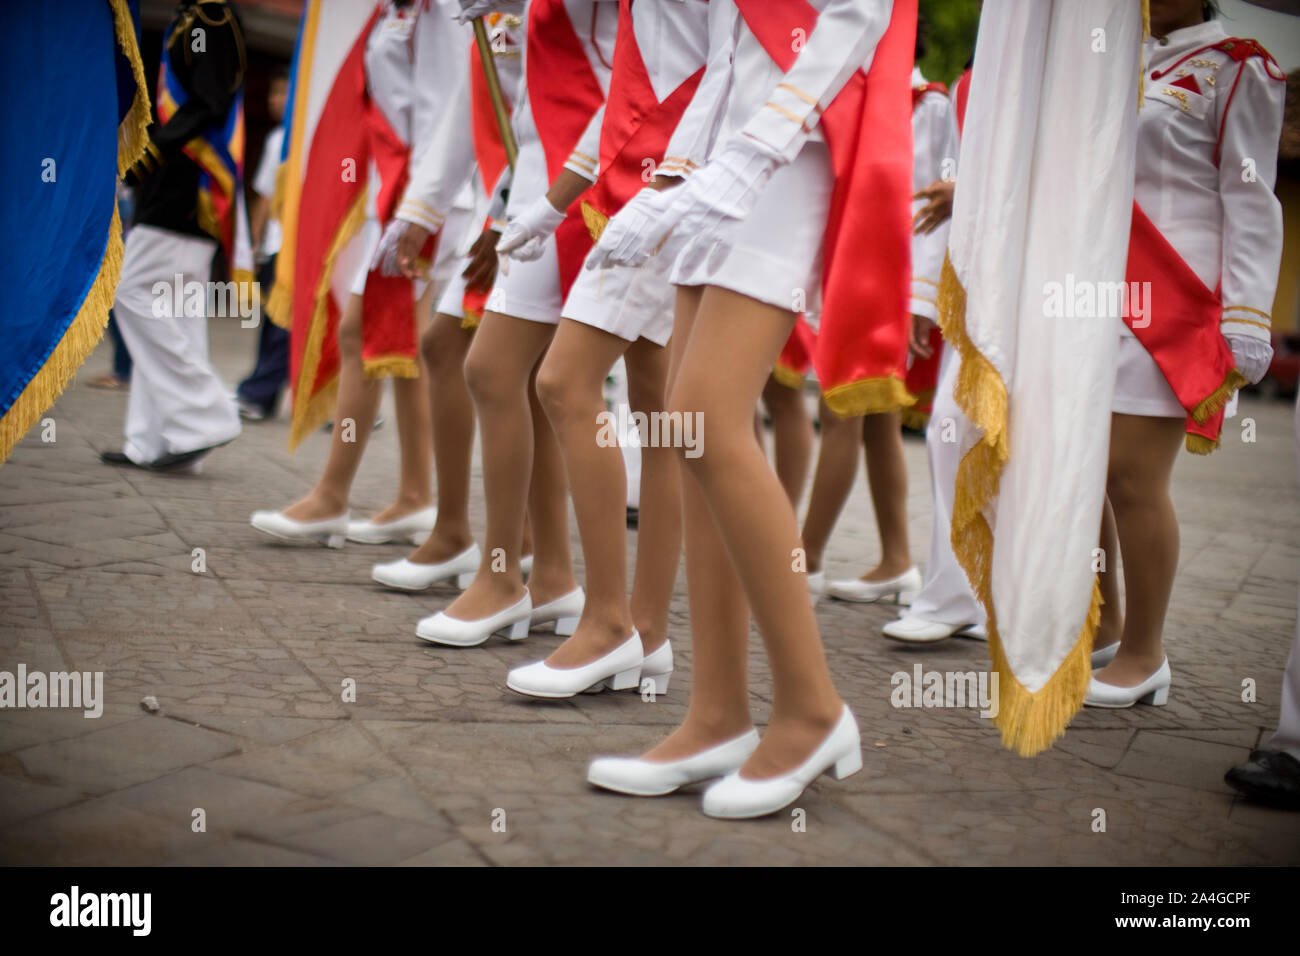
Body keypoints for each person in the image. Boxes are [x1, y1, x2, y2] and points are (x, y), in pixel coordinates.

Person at [583, 0, 916, 818]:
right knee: (693, 430)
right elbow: (726, 50)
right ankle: (716, 716)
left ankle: (810, 709)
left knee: (707, 415)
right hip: (725, 151)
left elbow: (857, 13)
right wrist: (673, 172)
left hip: (792, 147)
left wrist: (758, 148)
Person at [498, 0, 709, 699]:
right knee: (658, 411)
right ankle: (647, 631)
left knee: (563, 382)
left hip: (675, 181)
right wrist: (556, 202)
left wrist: (675, 180)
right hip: (649, 175)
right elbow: (626, 97)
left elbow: (723, 78)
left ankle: (609, 623)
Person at [1085, 0, 1285, 708]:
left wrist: (1247, 316)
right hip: (1101, 293)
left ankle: (1147, 654)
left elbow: (1252, 196)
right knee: (1092, 476)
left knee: (1133, 478)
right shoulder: (1118, 59)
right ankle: (1108, 624)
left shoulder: (1238, 67)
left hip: (1179, 300)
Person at [411, 0, 616, 648]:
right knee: (523, 380)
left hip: (576, 177)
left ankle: (506, 577)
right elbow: (524, 108)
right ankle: (552, 578)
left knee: (500, 372)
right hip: (540, 178)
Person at [251, 0, 475, 548]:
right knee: (409, 351)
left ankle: (331, 497)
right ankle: (416, 497)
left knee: (360, 331)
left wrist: (419, 210)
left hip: (428, 199)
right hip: (397, 193)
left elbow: (456, 109)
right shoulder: (393, 9)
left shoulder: (443, 8)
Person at [370, 7, 527, 592]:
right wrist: (419, 212)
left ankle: (521, 561)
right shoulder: (481, 12)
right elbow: (470, 109)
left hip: (564, 193)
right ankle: (467, 535)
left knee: (544, 378)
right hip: (512, 192)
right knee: (451, 349)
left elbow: (569, 108)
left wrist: (508, 212)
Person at [800, 22, 951, 606]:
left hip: (892, 278)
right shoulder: (859, 96)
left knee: (840, 408)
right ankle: (896, 560)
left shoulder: (928, 103)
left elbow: (939, 206)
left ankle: (805, 559)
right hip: (857, 269)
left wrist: (920, 298)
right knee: (876, 420)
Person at [100, 0, 246, 473]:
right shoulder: (193, 18)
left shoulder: (210, 19)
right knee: (174, 311)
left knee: (133, 292)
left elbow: (209, 101)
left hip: (188, 186)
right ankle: (159, 439)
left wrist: (150, 154)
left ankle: (204, 414)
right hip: (177, 187)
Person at [235, 69, 290, 423]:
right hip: (277, 245)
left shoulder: (309, 136)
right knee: (273, 323)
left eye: (281, 93)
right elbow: (265, 196)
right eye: (271, 93)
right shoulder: (276, 140)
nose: (273, 100)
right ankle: (261, 395)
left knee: (286, 323)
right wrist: (257, 244)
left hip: (300, 247)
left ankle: (258, 393)